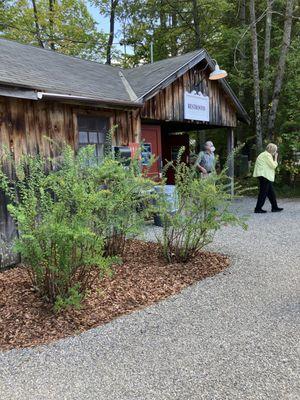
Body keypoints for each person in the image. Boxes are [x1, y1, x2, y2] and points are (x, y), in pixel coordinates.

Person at [253, 143, 283, 213]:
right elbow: (273, 166)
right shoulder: (267, 155)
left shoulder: (264, 154)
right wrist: (275, 158)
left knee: (271, 193)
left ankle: (274, 207)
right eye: (275, 150)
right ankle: (258, 209)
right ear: (272, 150)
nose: (275, 152)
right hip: (264, 176)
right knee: (263, 193)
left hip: (264, 176)